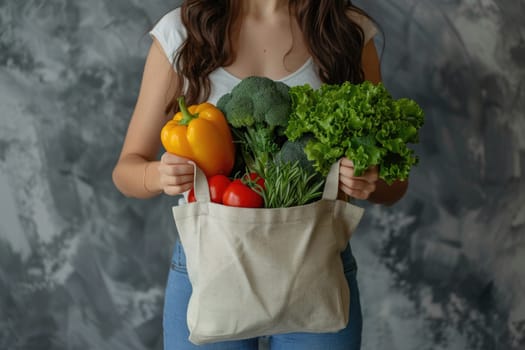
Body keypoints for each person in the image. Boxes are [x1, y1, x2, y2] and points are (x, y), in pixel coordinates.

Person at [112, 0, 408, 349]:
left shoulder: (346, 31)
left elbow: (395, 185)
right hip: (210, 271)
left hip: (315, 272)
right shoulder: (183, 33)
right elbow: (126, 170)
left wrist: (368, 180)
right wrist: (158, 176)